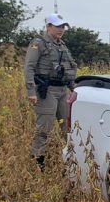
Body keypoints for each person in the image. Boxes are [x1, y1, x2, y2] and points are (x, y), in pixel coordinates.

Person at [24, 13, 78, 169]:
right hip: (46, 90)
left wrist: (75, 89)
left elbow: (68, 70)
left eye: (63, 26)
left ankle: (71, 160)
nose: (61, 29)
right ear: (48, 26)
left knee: (68, 128)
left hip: (62, 90)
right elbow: (29, 67)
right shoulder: (38, 43)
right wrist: (31, 91)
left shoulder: (62, 45)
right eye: (58, 26)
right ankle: (37, 162)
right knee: (44, 129)